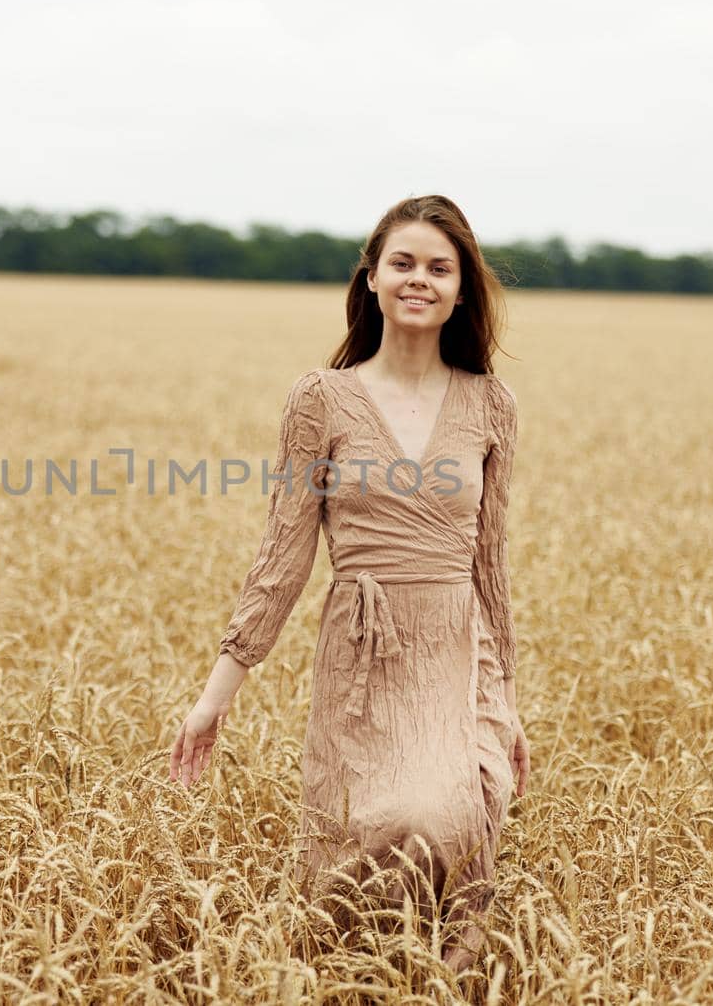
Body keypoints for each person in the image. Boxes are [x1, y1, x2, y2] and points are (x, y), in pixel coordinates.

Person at [168, 194, 532, 975]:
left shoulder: (490, 404)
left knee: (458, 812)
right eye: (402, 263)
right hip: (366, 656)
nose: (419, 280)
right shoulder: (321, 400)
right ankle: (346, 981)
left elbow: (490, 567)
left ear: (463, 289)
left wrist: (508, 700)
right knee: (371, 835)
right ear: (370, 278)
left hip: (458, 659)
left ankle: (445, 983)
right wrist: (215, 696)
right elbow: (282, 558)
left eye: (440, 268)